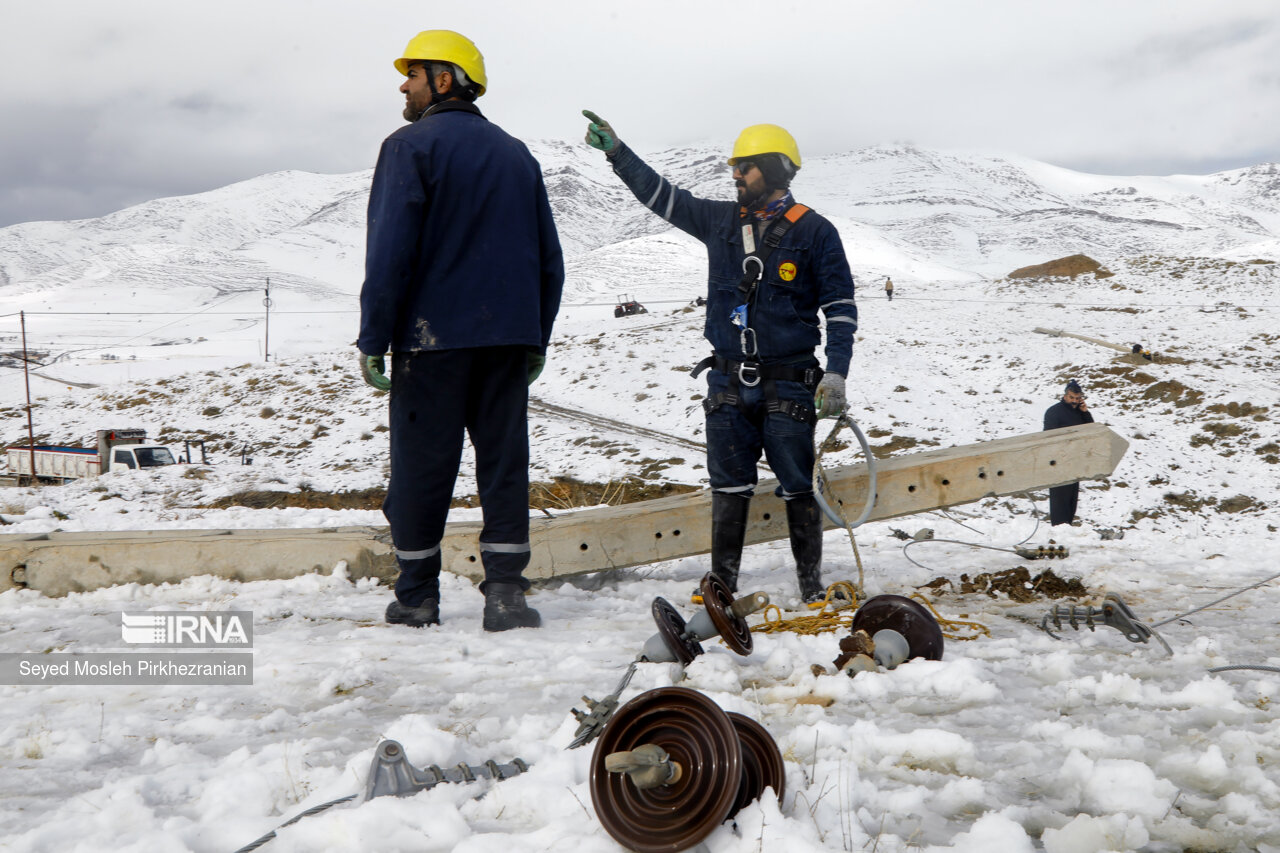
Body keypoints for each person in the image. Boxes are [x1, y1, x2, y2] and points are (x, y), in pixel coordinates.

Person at [582, 111, 857, 605]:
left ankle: (811, 588)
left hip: (789, 384)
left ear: (773, 170)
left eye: (744, 168)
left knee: (797, 487)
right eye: (734, 167)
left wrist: (835, 373)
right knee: (728, 488)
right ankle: (722, 586)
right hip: (727, 384)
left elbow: (840, 310)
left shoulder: (816, 233)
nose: (735, 176)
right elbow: (664, 197)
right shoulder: (719, 222)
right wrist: (617, 154)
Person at [359, 31, 564, 631]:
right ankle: (505, 595)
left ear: (443, 79)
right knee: (503, 465)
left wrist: (374, 336)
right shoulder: (517, 154)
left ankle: (418, 595)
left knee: (423, 467)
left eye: (413, 74)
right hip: (505, 341)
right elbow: (549, 258)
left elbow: (390, 250)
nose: (403, 84)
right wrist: (536, 337)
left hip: (432, 342)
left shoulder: (409, 147)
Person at [1042, 380, 1094, 526]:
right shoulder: (1054, 412)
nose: (1074, 401)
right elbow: (1048, 438)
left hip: (1076, 460)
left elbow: (1091, 431)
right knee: (1060, 499)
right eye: (1071, 398)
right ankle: (1059, 528)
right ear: (1065, 396)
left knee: (1071, 500)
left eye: (1077, 399)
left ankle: (1067, 527)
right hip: (1058, 461)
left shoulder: (1080, 412)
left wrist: (1085, 413)